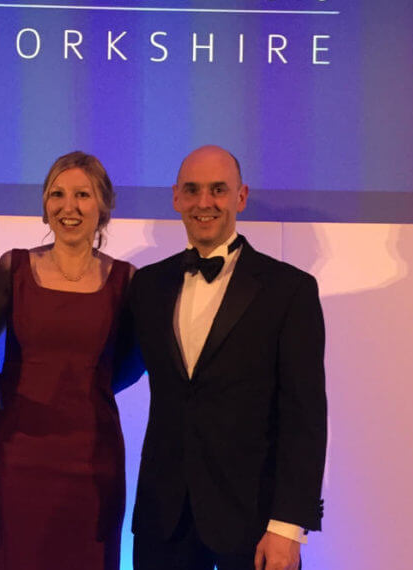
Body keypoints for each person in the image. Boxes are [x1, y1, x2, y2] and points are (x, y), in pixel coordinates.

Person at [128, 145, 327, 570]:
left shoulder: (289, 290)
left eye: (218, 190)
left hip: (254, 522)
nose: (204, 202)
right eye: (193, 190)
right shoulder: (147, 286)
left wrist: (288, 525)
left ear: (241, 196)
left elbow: (305, 417)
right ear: (176, 197)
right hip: (162, 520)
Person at [0, 151, 139, 570]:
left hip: (92, 464)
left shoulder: (127, 281)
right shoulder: (14, 267)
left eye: (83, 194)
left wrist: (87, 393)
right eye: (57, 194)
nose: (69, 206)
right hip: (13, 457)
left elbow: (134, 364)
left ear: (103, 207)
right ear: (45, 206)